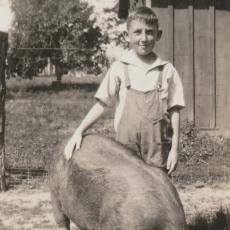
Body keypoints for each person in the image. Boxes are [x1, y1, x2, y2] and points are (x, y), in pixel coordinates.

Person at [64, 6, 185, 175]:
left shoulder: (167, 70)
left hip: (157, 151)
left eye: (149, 32)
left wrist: (174, 150)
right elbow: (101, 103)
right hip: (125, 150)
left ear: (158, 35)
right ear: (127, 35)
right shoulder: (120, 67)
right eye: (137, 32)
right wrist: (79, 131)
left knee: (156, 195)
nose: (144, 38)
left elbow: (175, 111)